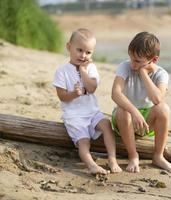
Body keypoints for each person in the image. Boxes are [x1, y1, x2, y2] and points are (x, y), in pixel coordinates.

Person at [53, 28, 122, 175]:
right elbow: (61, 96)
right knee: (83, 141)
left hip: (92, 112)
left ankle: (112, 159)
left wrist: (83, 70)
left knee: (107, 125)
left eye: (88, 52)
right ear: (69, 47)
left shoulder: (91, 68)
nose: (83, 55)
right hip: (74, 116)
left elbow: (92, 88)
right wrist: (73, 94)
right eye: (79, 50)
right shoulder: (61, 71)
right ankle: (91, 165)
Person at [111, 31, 171, 173]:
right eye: (131, 57)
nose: (132, 63)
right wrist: (134, 111)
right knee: (123, 110)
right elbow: (115, 94)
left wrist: (143, 73)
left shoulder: (161, 74)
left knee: (163, 109)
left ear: (153, 60)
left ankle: (158, 156)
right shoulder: (125, 66)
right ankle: (133, 155)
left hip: (146, 124)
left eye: (137, 61)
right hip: (125, 118)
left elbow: (157, 99)